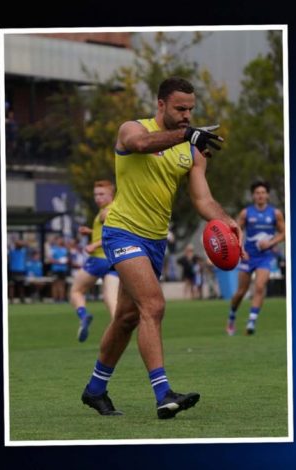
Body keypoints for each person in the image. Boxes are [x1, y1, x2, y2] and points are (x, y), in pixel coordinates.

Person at [79, 77, 242, 419]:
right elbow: (140, 144)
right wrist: (186, 134)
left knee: (126, 317)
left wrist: (227, 221)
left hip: (154, 241)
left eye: (191, 110)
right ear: (161, 104)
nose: (186, 115)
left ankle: (95, 389)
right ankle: (163, 393)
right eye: (180, 108)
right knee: (153, 305)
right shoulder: (131, 128)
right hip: (122, 233)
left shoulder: (193, 151)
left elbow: (203, 200)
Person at [227, 181, 285, 335]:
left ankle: (251, 321)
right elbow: (235, 232)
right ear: (253, 196)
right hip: (248, 256)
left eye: (263, 192)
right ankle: (232, 317)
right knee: (241, 292)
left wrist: (271, 242)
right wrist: (239, 250)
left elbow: (284, 233)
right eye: (257, 193)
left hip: (265, 257)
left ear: (267, 195)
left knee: (259, 286)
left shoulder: (275, 213)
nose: (260, 195)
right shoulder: (246, 213)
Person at [69, 180, 120, 342]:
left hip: (99, 259)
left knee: (76, 291)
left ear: (111, 195)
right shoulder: (111, 210)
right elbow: (105, 230)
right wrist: (90, 231)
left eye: (101, 194)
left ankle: (84, 315)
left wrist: (94, 245)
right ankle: (118, 333)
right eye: (95, 195)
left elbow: (113, 233)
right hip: (114, 261)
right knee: (111, 300)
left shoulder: (106, 212)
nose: (97, 198)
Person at [46, 235, 69, 303]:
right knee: (55, 284)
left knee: (62, 284)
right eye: (59, 240)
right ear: (56, 241)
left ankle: (61, 299)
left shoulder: (64, 249)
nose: (60, 241)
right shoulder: (53, 249)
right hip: (55, 269)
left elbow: (67, 259)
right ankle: (55, 299)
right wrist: (58, 262)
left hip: (63, 269)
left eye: (61, 240)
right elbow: (50, 259)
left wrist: (66, 261)